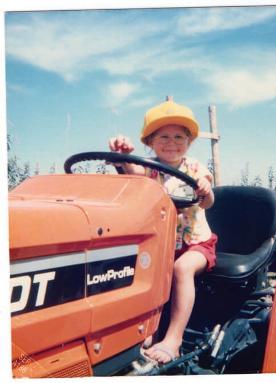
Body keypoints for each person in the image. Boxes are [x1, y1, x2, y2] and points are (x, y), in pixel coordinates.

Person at [108, 100, 217, 364]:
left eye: (179, 136)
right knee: (142, 268)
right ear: (150, 142)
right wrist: (122, 155)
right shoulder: (149, 167)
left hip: (197, 245)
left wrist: (204, 189)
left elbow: (208, 201)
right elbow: (132, 171)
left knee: (181, 269)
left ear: (189, 142)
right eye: (163, 136)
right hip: (163, 244)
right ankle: (145, 333)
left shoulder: (195, 169)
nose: (171, 142)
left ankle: (174, 339)